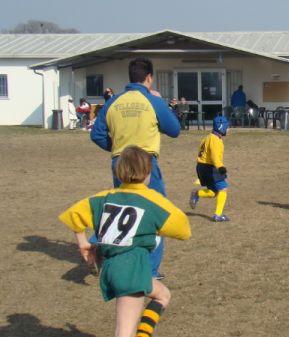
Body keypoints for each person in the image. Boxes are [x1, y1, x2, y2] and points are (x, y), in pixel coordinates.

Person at [58, 145, 191, 337]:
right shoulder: (153, 200)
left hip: (111, 267)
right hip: (132, 267)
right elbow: (184, 230)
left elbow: (73, 215)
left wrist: (82, 242)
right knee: (124, 331)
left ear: (119, 172)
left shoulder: (104, 197)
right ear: (148, 172)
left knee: (163, 295)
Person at [91, 57, 181, 279]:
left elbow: (97, 134)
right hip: (145, 162)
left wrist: (117, 150)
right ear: (149, 77)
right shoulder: (152, 101)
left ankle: (103, 249)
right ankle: (149, 270)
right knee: (155, 211)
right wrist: (163, 104)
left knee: (122, 208)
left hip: (119, 162)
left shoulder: (114, 102)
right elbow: (174, 129)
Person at [189, 115, 231, 222]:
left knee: (214, 192)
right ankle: (218, 215)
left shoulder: (207, 137)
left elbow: (201, 153)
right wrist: (220, 168)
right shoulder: (215, 140)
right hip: (210, 167)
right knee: (223, 188)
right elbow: (214, 156)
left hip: (201, 167)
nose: (228, 129)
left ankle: (197, 194)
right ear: (221, 127)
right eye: (226, 127)